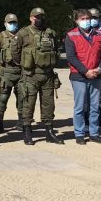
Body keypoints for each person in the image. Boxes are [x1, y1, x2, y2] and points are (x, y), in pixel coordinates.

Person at [11, 8, 64, 146]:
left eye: (41, 17)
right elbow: (15, 53)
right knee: (28, 103)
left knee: (48, 105)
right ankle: (27, 131)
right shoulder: (22, 33)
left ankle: (49, 132)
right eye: (36, 17)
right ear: (30, 18)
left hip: (48, 75)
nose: (38, 19)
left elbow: (57, 50)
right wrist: (25, 65)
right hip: (31, 75)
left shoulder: (50, 33)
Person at [65, 10, 101, 145]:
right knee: (80, 107)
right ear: (77, 21)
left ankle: (94, 133)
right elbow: (71, 57)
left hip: (96, 75)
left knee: (95, 106)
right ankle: (79, 133)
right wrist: (85, 71)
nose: (86, 21)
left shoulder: (99, 35)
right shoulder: (71, 35)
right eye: (82, 18)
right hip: (79, 76)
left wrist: (99, 68)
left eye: (88, 18)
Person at [0, 13, 22, 133]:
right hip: (6, 72)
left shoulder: (22, 35)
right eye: (10, 23)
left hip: (21, 72)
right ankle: (0, 123)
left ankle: (21, 122)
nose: (12, 25)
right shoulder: (0, 37)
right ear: (5, 24)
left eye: (14, 22)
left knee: (22, 98)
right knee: (3, 97)